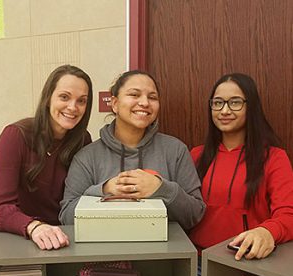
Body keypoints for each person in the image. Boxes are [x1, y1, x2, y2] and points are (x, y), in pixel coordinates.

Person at [59, 70, 206, 230]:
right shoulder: (87, 157)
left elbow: (195, 214)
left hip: (163, 253)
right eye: (134, 95)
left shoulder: (175, 150)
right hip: (104, 253)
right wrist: (104, 190)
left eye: (152, 97)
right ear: (114, 104)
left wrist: (162, 188)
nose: (144, 103)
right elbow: (66, 217)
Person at [189, 73, 293, 261]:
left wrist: (267, 232)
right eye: (218, 103)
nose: (225, 111)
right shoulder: (195, 155)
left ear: (250, 106)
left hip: (246, 263)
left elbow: (288, 214)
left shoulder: (274, 158)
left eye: (235, 102)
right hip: (196, 262)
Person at [0, 64, 93, 250]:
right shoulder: (15, 135)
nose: (73, 107)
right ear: (48, 98)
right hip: (23, 236)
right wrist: (35, 227)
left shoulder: (83, 140)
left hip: (67, 237)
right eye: (64, 97)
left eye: (82, 101)